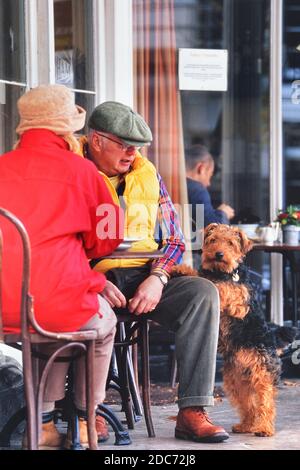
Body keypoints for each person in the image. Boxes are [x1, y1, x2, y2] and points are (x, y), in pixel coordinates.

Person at [80, 101, 229, 443]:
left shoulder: (148, 175)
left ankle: (192, 410)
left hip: (143, 277)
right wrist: (94, 281)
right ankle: (91, 410)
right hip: (91, 280)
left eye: (137, 146)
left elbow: (175, 239)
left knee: (202, 294)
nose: (132, 153)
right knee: (89, 311)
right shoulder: (74, 173)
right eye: (124, 144)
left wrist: (158, 277)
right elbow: (61, 242)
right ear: (96, 140)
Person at [0, 85, 123, 449]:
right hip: (58, 304)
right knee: (99, 322)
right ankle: (87, 418)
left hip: (7, 303)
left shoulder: (1, 167)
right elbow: (107, 238)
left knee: (44, 327)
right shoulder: (82, 171)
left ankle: (44, 423)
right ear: (66, 131)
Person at [186, 144, 235, 227]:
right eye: (210, 175)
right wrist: (224, 214)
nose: (208, 183)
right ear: (201, 168)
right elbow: (212, 228)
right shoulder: (197, 191)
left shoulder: (168, 185)